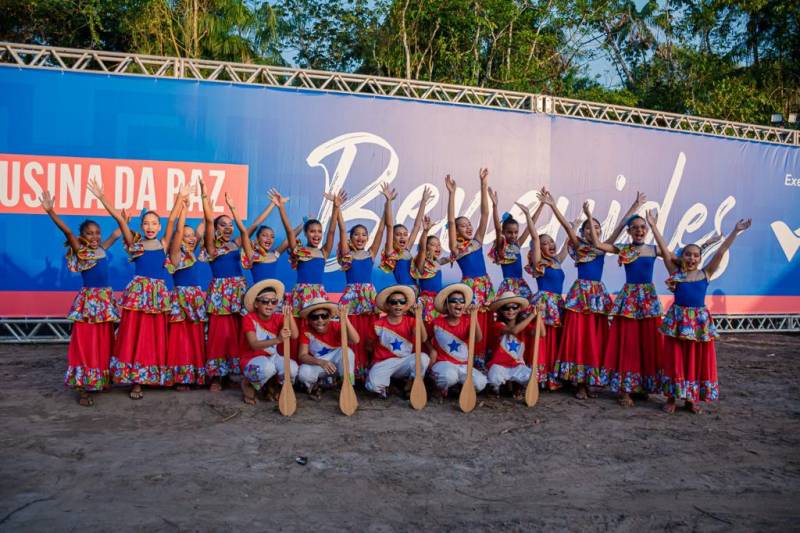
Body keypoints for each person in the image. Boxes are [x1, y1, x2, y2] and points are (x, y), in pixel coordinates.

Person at [547, 192, 645, 399]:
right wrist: (553, 205)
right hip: (580, 296)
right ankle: (579, 383)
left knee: (594, 339)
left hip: (597, 297)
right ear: (583, 232)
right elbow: (566, 226)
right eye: (590, 227)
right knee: (579, 338)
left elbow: (621, 226)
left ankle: (591, 380)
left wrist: (635, 206)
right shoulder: (579, 246)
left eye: (598, 228)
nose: (595, 230)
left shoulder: (602, 247)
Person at [87, 177, 179, 399]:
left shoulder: (164, 243)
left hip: (157, 296)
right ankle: (136, 381)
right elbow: (120, 219)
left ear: (159, 227)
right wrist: (101, 197)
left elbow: (173, 219)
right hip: (138, 295)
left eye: (154, 223)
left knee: (154, 336)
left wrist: (180, 198)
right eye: (146, 223)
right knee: (135, 336)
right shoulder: (135, 244)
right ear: (141, 226)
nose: (150, 227)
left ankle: (153, 376)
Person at [653, 213, 751, 414]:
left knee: (694, 360)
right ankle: (671, 397)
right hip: (678, 321)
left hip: (698, 323)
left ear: (700, 258)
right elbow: (664, 249)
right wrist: (654, 227)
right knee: (676, 358)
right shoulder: (676, 274)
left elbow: (721, 251)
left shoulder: (706, 273)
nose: (692, 258)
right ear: (682, 257)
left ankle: (691, 398)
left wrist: (735, 231)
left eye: (696, 255)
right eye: (688, 254)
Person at [39, 190, 122, 406]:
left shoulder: (103, 249)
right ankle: (84, 387)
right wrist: (51, 212)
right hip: (89, 302)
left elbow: (117, 232)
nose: (94, 237)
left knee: (103, 341)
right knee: (87, 342)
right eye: (89, 233)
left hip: (104, 302)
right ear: (82, 236)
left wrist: (119, 216)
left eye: (97, 233)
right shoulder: (81, 251)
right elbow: (67, 231)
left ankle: (100, 378)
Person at [592, 212, 665, 407]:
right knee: (628, 342)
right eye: (635, 228)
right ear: (629, 231)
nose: (639, 230)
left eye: (643, 227)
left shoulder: (653, 249)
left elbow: (674, 257)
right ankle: (625, 389)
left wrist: (654, 226)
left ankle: (642, 386)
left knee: (647, 342)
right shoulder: (624, 249)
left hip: (648, 300)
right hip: (630, 299)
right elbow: (599, 245)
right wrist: (629, 211)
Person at [201, 179, 254, 389]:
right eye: (223, 224)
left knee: (236, 333)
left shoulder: (236, 244)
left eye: (230, 225)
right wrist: (205, 196)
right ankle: (216, 376)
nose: (228, 228)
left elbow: (247, 230)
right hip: (220, 294)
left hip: (238, 292)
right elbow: (208, 220)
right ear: (215, 229)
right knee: (219, 334)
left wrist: (233, 209)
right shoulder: (211, 247)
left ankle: (233, 371)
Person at [335, 183, 390, 382]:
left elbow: (382, 229)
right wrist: (337, 208)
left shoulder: (371, 253)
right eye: (356, 234)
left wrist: (387, 203)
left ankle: (369, 370)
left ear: (367, 238)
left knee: (369, 333)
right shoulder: (347, 255)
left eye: (364, 234)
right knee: (353, 332)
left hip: (368, 297)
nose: (360, 237)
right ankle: (352, 371)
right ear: (350, 239)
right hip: (351, 298)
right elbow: (342, 229)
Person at [517, 190, 567, 390]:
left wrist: (574, 226)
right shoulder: (540, 265)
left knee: (554, 339)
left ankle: (552, 377)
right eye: (545, 244)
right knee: (543, 339)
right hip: (544, 304)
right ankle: (538, 376)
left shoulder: (557, 261)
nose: (549, 245)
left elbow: (569, 241)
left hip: (557, 303)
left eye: (551, 241)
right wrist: (529, 216)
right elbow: (535, 239)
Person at [445, 170, 495, 362]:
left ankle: (483, 361)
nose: (468, 227)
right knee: (472, 321)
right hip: (470, 288)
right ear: (456, 230)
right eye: (463, 225)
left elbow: (485, 214)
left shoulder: (477, 241)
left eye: (469, 224)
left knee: (486, 321)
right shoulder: (456, 248)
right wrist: (451, 194)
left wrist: (483, 183)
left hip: (485, 285)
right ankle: (469, 360)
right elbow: (450, 221)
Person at [166, 186, 209, 390]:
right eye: (187, 235)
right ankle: (180, 377)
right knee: (180, 339)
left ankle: (195, 375)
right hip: (180, 300)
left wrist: (205, 199)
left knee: (194, 337)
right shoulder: (175, 254)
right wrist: (183, 208)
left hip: (196, 299)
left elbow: (203, 226)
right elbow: (178, 230)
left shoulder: (192, 252)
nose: (192, 238)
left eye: (193, 236)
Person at [273, 190, 342, 314]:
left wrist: (335, 207)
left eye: (319, 231)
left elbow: (331, 231)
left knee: (318, 322)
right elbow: (289, 232)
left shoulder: (324, 252)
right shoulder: (299, 251)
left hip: (319, 295)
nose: (316, 235)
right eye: (312, 231)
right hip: (301, 295)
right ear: (305, 233)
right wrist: (281, 207)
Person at [239, 279, 299, 405]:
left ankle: (274, 385)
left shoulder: (278, 317)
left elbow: (295, 335)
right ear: (256, 304)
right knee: (267, 368)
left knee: (292, 368)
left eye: (274, 301)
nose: (270, 305)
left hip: (272, 357)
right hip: (252, 359)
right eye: (265, 301)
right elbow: (254, 345)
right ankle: (248, 383)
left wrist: (289, 315)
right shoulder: (249, 318)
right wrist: (278, 339)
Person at [365, 285, 429, 398]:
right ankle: (389, 387)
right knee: (373, 387)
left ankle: (411, 384)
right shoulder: (377, 324)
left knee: (423, 358)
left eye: (402, 302)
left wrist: (419, 317)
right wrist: (373, 363)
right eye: (394, 302)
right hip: (383, 362)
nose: (398, 304)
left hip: (405, 361)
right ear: (387, 305)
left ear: (405, 305)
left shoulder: (411, 321)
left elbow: (423, 338)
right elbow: (368, 346)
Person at [427, 283, 488, 397]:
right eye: (454, 301)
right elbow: (425, 338)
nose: (458, 303)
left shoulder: (468, 321)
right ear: (446, 305)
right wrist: (432, 350)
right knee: (449, 377)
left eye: (461, 301)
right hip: (443, 363)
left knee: (480, 383)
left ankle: (458, 386)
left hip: (463, 365)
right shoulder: (437, 323)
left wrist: (474, 317)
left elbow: (478, 338)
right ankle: (440, 385)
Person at [296, 298, 360, 400]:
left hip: (338, 364)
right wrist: (321, 362)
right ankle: (317, 385)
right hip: (320, 363)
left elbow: (356, 340)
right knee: (303, 373)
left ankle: (347, 386)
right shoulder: (306, 330)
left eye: (324, 316)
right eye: (315, 317)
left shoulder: (336, 325)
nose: (320, 320)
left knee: (347, 352)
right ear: (309, 320)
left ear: (330, 316)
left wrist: (345, 319)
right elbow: (302, 355)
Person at [486, 292, 537, 398]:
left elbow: (541, 333)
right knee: (494, 378)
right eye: (506, 308)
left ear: (519, 309)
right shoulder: (498, 325)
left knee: (532, 377)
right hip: (499, 366)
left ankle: (516, 386)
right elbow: (514, 331)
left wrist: (539, 315)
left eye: (514, 307)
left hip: (517, 365)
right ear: (500, 310)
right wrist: (532, 315)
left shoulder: (524, 325)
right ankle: (501, 387)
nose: (511, 311)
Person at [380, 185, 431, 289]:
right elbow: (389, 226)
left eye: (405, 234)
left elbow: (416, 226)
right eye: (398, 235)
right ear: (392, 238)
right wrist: (388, 201)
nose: (402, 237)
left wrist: (423, 201)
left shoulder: (407, 249)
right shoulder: (391, 253)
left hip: (416, 290)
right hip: (403, 291)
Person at [246, 189, 300, 284]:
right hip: (258, 292)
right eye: (265, 235)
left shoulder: (275, 254)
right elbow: (255, 225)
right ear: (257, 239)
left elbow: (289, 237)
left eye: (272, 236)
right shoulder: (252, 254)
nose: (269, 239)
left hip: (273, 292)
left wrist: (304, 223)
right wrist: (272, 204)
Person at [488, 188, 533, 302]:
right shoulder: (501, 246)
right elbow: (498, 229)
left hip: (521, 284)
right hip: (508, 286)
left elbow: (530, 228)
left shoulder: (517, 245)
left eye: (516, 232)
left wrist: (529, 213)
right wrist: (494, 206)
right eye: (509, 232)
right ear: (504, 232)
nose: (513, 235)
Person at [412, 216, 449, 322]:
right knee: (427, 326)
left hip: (438, 300)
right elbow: (422, 249)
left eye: (439, 245)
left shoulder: (437, 262)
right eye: (433, 245)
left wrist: (452, 257)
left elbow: (445, 259)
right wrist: (425, 231)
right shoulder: (422, 264)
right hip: (426, 301)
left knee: (438, 326)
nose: (437, 247)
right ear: (426, 248)